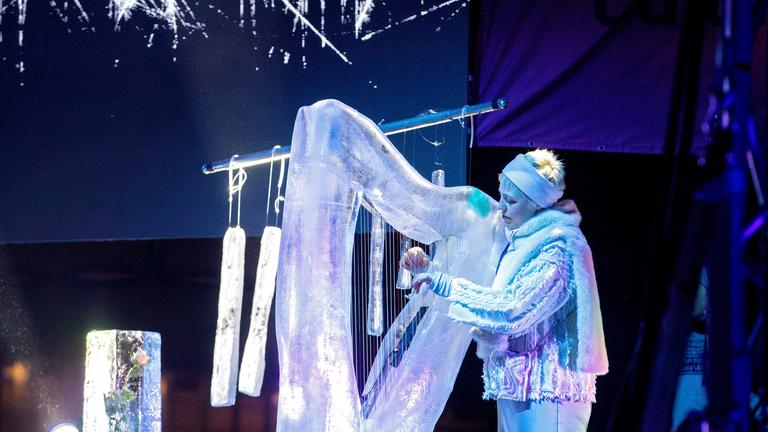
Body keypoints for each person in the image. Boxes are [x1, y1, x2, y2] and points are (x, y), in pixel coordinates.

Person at [400, 149, 609, 432]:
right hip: (520, 385)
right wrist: (430, 272)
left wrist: (445, 284)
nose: (501, 208)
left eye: (510, 201)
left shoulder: (559, 246)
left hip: (548, 391)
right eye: (502, 197)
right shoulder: (521, 242)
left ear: (536, 204)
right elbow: (485, 287)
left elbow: (512, 310)